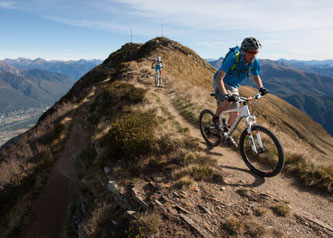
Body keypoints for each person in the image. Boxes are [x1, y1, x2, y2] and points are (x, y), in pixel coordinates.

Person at [212, 37, 268, 147]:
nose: (253, 55)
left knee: (235, 112)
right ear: (243, 51)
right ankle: (215, 117)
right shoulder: (233, 58)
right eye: (251, 52)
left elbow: (256, 76)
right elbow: (219, 78)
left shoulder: (254, 62)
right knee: (228, 101)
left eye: (256, 52)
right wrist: (226, 95)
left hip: (233, 85)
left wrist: (261, 88)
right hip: (220, 82)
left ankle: (226, 133)